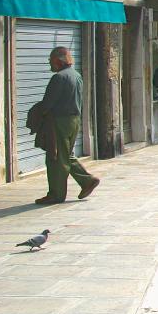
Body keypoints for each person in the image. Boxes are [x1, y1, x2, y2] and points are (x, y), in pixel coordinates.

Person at [31, 47, 100, 204]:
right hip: (74, 120)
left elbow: (48, 103)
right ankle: (87, 181)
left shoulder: (59, 78)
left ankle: (56, 194)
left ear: (58, 61)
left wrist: (37, 114)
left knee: (55, 158)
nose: (50, 63)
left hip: (59, 121)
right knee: (66, 155)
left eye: (50, 60)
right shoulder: (76, 76)